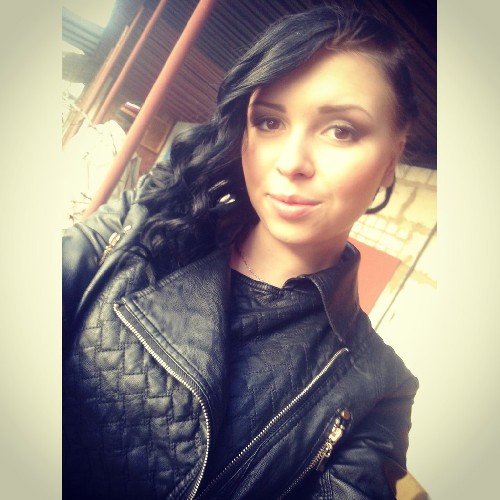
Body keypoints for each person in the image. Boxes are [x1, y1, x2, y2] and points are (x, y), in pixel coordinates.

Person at [63, 5, 426, 499]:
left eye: (341, 130)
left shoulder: (379, 389)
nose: (291, 162)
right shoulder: (141, 225)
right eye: (270, 121)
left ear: (391, 159)